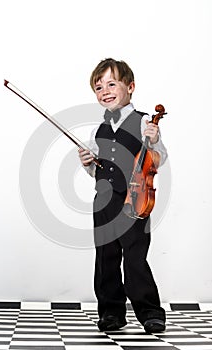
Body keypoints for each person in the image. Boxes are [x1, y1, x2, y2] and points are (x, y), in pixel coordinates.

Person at [78, 58, 167, 334]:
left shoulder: (143, 123)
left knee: (135, 257)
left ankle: (150, 311)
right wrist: (88, 163)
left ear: (130, 87)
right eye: (98, 86)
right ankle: (111, 313)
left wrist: (153, 139)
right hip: (103, 200)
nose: (104, 90)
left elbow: (158, 158)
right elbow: (98, 171)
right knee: (106, 257)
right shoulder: (97, 131)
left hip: (134, 200)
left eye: (111, 83)